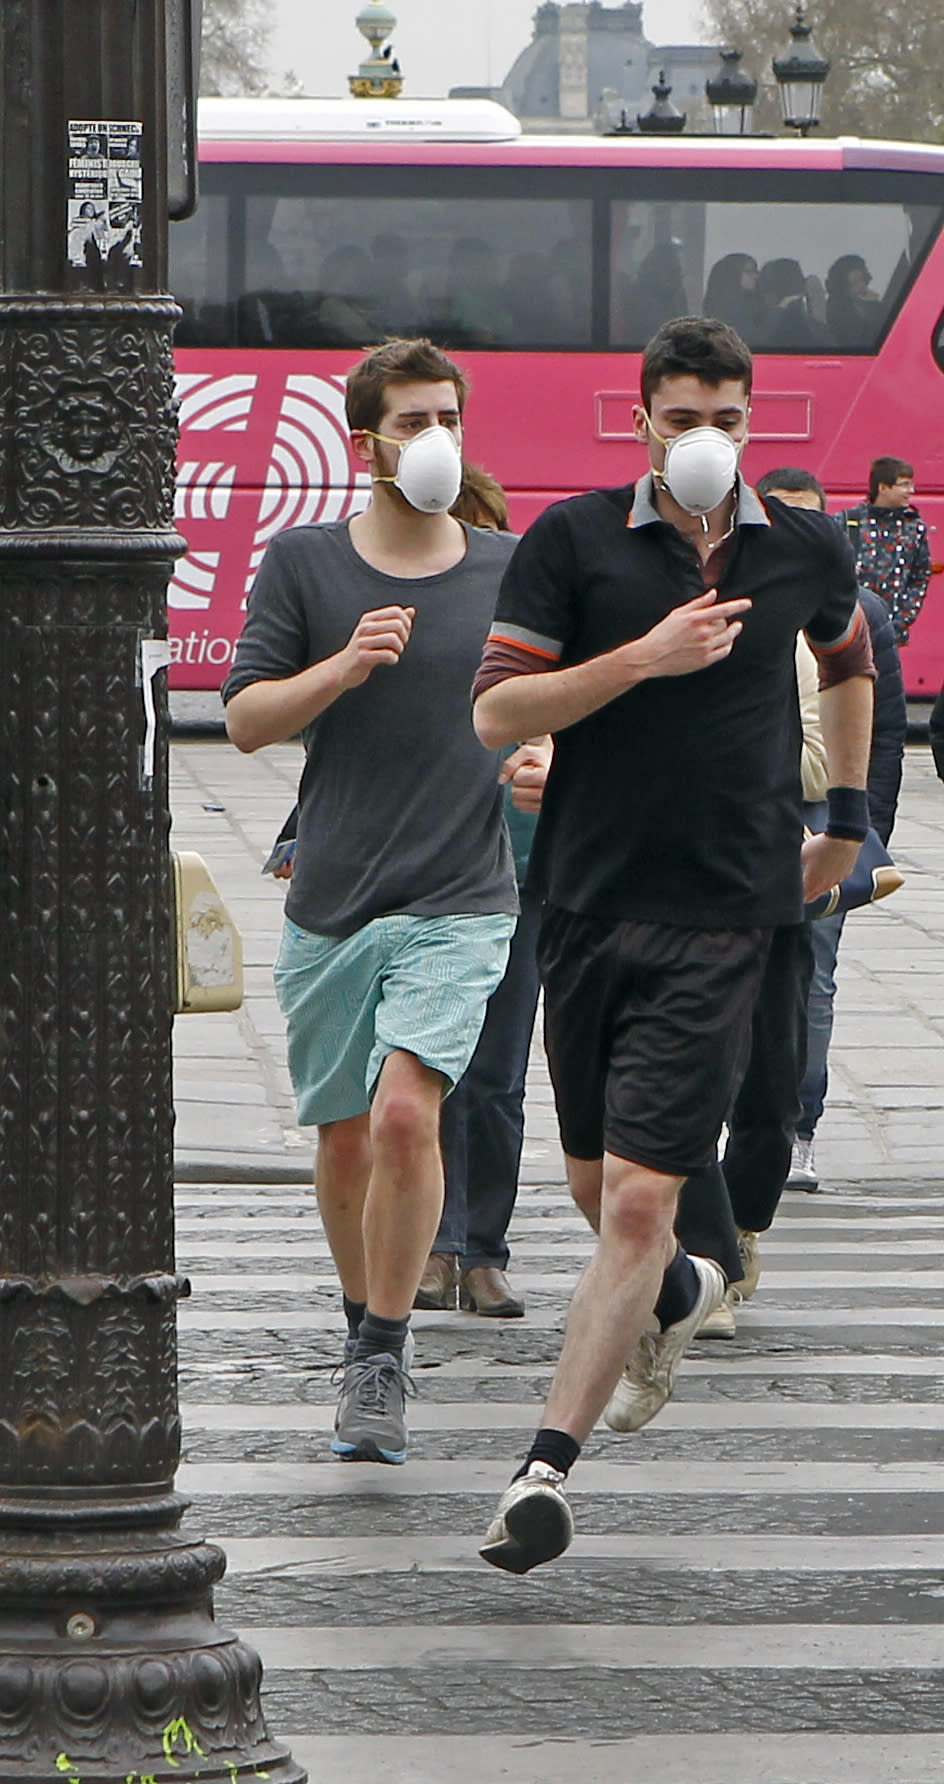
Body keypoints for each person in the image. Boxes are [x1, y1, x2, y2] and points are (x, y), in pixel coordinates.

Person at [470, 314, 875, 1574]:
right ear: (639, 415)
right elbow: (495, 710)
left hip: (728, 907)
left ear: (752, 419)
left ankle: (542, 1469)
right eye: (681, 415)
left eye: (726, 416)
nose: (704, 436)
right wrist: (636, 658)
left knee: (640, 1197)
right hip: (588, 905)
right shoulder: (572, 539)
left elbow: (853, 659)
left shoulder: (802, 543)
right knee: (601, 1196)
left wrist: (847, 817)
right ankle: (687, 1292)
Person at [222, 337, 528, 1468]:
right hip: (333, 895)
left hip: (462, 892)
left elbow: (544, 703)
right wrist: (341, 667)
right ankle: (366, 1324)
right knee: (346, 1137)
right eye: (412, 420)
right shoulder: (305, 563)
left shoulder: (507, 565)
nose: (435, 437)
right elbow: (246, 716)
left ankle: (384, 1352)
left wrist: (543, 750)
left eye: (447, 416)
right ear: (365, 443)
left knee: (408, 1113)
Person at [415, 463, 544, 1320]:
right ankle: (431, 1241)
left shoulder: (541, 618)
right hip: (428, 867)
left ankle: (482, 1249)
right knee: (429, 1069)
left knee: (496, 1074)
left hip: (524, 869)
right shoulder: (410, 623)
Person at [782, 469, 908, 1191]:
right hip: (750, 815)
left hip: (829, 814)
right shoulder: (734, 606)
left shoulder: (862, 612)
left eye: (814, 520)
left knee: (814, 979)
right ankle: (739, 1116)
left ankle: (799, 1126)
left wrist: (865, 828)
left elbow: (887, 732)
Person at [835, 458, 932, 646]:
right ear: (883, 487)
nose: (911, 491)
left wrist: (899, 623)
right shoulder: (846, 521)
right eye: (904, 484)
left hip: (890, 636)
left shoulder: (914, 527)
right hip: (846, 632)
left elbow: (920, 577)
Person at [702, 253, 766, 342]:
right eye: (749, 272)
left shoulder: (754, 301)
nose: (755, 277)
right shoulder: (728, 306)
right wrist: (779, 310)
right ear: (732, 274)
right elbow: (757, 336)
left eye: (756, 272)